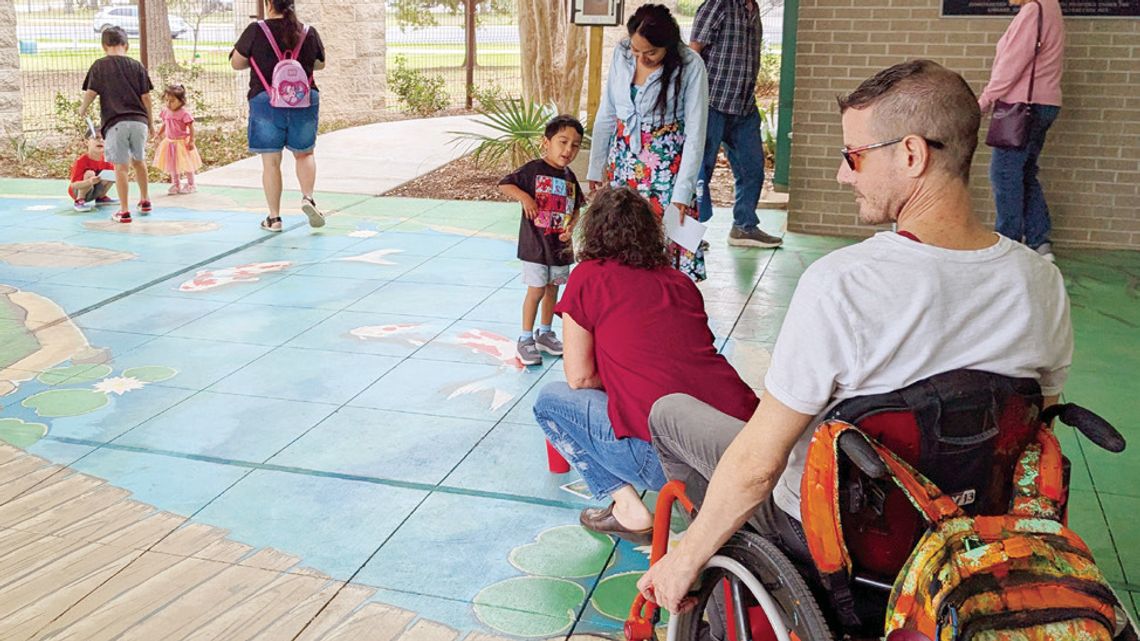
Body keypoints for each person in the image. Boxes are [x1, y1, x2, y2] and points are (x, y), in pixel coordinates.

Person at [636, 60, 1073, 613]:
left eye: (855, 156)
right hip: (973, 528)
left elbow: (759, 466)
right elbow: (1028, 429)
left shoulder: (843, 283)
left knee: (671, 413)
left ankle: (716, 579)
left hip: (834, 532)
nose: (845, 174)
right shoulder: (1042, 282)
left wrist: (686, 558)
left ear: (912, 155)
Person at [534, 186, 759, 545]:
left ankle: (627, 509)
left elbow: (580, 376)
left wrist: (622, 380)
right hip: (743, 442)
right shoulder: (681, 283)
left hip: (667, 460)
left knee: (550, 401)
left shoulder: (588, 276)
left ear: (591, 233)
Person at [587, 4, 710, 282]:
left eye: (651, 52)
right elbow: (607, 113)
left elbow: (695, 135)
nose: (642, 58)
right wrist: (596, 168)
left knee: (666, 247)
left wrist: (681, 193)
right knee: (620, 239)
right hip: (623, 168)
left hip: (668, 173)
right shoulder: (621, 54)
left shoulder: (691, 65)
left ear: (668, 44)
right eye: (636, 50)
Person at [690, 0, 782, 249]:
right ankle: (687, 236)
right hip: (711, 104)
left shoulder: (752, 10)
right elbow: (693, 51)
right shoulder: (718, 5)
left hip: (743, 108)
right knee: (698, 172)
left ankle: (744, 226)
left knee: (753, 168)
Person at [979, 0, 1065, 262]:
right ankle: (1040, 243)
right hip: (1045, 105)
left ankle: (1008, 245)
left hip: (1023, 108)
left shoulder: (1033, 10)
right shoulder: (1051, 7)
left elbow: (1012, 64)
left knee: (1004, 173)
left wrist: (984, 100)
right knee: (1025, 173)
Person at [230, 0, 326, 232]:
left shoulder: (256, 30)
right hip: (303, 100)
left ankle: (274, 218)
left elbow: (236, 63)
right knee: (304, 154)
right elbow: (320, 64)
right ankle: (308, 198)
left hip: (266, 100)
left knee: (271, 162)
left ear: (268, 3)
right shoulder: (307, 31)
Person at [498, 115, 586, 366]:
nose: (568, 150)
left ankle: (545, 334)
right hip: (535, 246)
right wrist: (525, 198)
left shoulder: (569, 177)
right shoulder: (533, 169)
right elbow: (505, 184)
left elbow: (577, 207)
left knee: (552, 289)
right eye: (563, 142)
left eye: (575, 145)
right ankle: (525, 338)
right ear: (546, 142)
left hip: (560, 248)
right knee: (536, 289)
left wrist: (571, 227)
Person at [78, 26, 154, 224]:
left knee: (120, 167)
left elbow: (91, 92)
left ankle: (124, 210)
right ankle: (145, 200)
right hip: (139, 122)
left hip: (116, 123)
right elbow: (146, 98)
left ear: (104, 45)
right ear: (126, 45)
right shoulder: (137, 65)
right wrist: (151, 123)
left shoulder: (100, 66)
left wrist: (82, 109)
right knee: (139, 161)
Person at [152, 84, 203, 195]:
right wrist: (159, 133)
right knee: (172, 164)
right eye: (167, 101)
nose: (169, 104)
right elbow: (165, 123)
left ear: (181, 101)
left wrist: (191, 140)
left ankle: (191, 184)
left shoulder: (184, 113)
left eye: (172, 101)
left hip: (181, 142)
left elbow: (190, 127)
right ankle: (176, 184)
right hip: (170, 142)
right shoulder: (166, 111)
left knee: (187, 164)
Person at [68, 132, 116, 212]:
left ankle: (101, 198)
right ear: (87, 142)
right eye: (96, 137)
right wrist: (89, 182)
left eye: (103, 138)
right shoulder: (81, 161)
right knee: (90, 173)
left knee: (110, 174)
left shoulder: (107, 160)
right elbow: (73, 185)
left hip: (94, 192)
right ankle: (80, 200)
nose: (100, 140)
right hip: (78, 191)